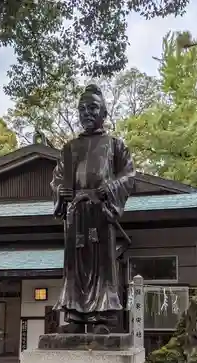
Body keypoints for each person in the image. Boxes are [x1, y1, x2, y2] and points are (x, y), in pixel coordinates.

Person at [51, 83, 135, 334]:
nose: (86, 113)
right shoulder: (68, 148)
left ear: (104, 113)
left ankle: (102, 317)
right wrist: (60, 192)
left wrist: (109, 190)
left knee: (102, 265)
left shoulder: (115, 145)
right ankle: (75, 315)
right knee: (75, 264)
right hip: (76, 214)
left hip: (100, 212)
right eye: (82, 109)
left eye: (93, 108)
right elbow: (57, 179)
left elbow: (129, 176)